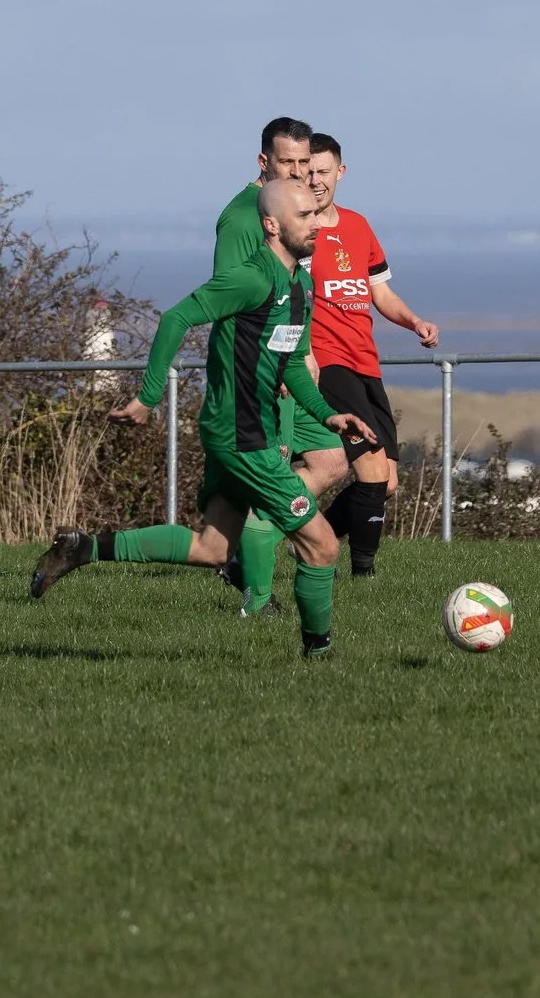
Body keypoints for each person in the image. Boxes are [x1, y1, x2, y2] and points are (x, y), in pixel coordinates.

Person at [30, 178, 372, 657]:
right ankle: (319, 657)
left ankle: (83, 548)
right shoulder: (253, 278)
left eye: (317, 214)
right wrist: (148, 397)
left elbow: (292, 364)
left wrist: (329, 416)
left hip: (250, 431)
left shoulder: (300, 283)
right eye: (304, 216)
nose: (317, 223)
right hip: (242, 437)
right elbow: (176, 318)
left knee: (212, 547)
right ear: (272, 225)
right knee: (322, 546)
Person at [209, 117, 349, 617]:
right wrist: (268, 364)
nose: (299, 173)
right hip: (258, 381)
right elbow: (227, 307)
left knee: (332, 461)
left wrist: (301, 347)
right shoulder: (242, 218)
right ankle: (257, 595)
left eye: (304, 163)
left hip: (289, 364)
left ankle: (257, 548)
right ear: (263, 162)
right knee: (253, 492)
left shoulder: (295, 209)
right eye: (287, 162)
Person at [300, 132, 438, 576]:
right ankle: (364, 574)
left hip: (365, 363)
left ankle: (307, 534)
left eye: (323, 171)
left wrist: (415, 321)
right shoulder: (298, 230)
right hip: (329, 363)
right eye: (308, 170)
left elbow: (379, 290)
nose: (315, 179)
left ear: (340, 172)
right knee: (372, 473)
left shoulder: (358, 226)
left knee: (388, 481)